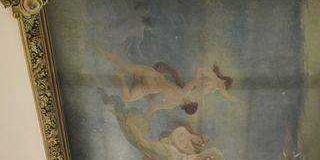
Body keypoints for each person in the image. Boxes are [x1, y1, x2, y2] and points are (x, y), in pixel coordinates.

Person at [102, 50, 238, 116]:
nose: (192, 100)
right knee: (128, 97)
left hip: (153, 79)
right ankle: (121, 77)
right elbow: (154, 107)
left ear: (188, 104)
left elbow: (195, 83)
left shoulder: (184, 92)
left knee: (123, 65)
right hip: (151, 85)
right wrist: (146, 117)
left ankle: (106, 56)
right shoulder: (176, 101)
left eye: (192, 102)